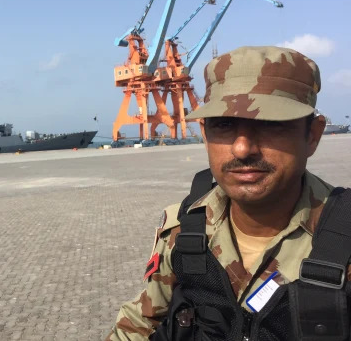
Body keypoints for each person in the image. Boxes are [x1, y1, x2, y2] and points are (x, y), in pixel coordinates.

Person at [106, 46, 351, 340]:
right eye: (224, 125)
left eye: (271, 124)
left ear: (312, 135)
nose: (242, 148)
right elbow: (140, 322)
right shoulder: (184, 228)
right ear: (205, 133)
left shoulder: (343, 233)